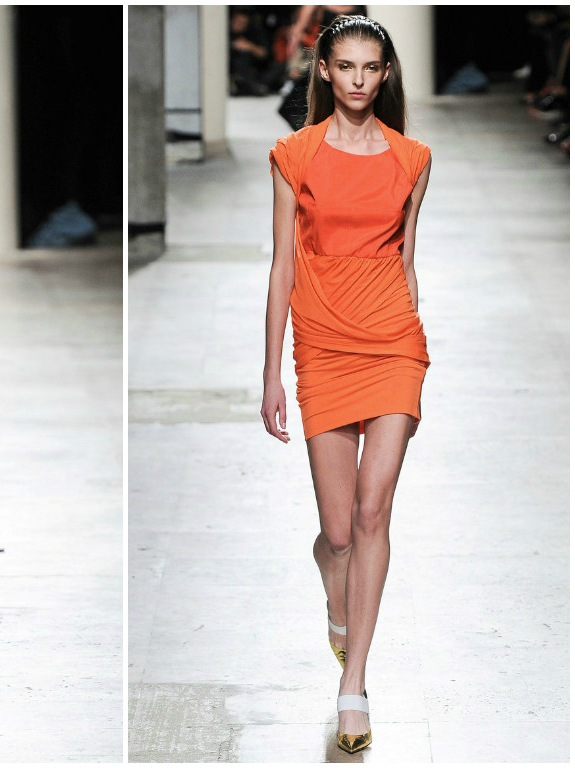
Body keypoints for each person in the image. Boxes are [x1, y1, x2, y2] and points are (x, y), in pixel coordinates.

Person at [261, 15, 431, 754]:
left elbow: (406, 260)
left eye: (371, 67)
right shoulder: (293, 154)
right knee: (337, 534)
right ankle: (338, 599)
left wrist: (411, 335)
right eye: (346, 66)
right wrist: (271, 370)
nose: (359, 79)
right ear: (324, 71)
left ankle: (353, 682)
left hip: (392, 342)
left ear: (385, 74)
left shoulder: (413, 158)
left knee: (371, 510)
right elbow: (282, 265)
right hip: (322, 344)